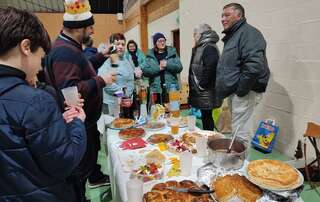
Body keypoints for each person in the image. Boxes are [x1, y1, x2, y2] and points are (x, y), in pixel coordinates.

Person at [0, 7, 87, 201]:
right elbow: (64, 161)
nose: (40, 66)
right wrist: (76, 124)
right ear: (26, 47)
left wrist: (55, 124)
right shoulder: (36, 100)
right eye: (40, 58)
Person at [44, 0, 116, 201]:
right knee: (79, 176)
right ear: (78, 28)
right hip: (78, 126)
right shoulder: (65, 51)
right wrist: (101, 80)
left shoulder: (70, 46)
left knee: (84, 170)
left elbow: (82, 67)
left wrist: (101, 56)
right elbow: (70, 90)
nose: (93, 31)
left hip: (86, 124)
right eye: (90, 27)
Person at [216, 3, 270, 141]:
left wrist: (241, 91)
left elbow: (254, 65)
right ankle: (238, 161)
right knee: (237, 130)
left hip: (244, 92)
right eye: (222, 15)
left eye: (227, 15)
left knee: (241, 133)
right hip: (236, 91)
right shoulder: (234, 35)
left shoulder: (249, 33)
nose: (222, 18)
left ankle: (241, 162)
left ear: (239, 15)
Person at [188, 23, 220, 131]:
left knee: (207, 118)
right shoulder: (202, 46)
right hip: (203, 91)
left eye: (195, 34)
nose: (194, 37)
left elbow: (211, 68)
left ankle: (208, 141)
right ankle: (206, 139)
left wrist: (201, 85)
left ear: (201, 34)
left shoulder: (209, 47)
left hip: (205, 91)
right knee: (205, 117)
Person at [98, 33, 135, 118]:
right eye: (117, 44)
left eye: (123, 44)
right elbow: (106, 84)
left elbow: (130, 80)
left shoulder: (127, 59)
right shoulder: (106, 60)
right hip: (111, 104)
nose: (120, 47)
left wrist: (129, 97)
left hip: (126, 104)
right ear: (111, 45)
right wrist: (122, 95)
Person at [141, 32, 183, 104]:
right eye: (160, 41)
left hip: (171, 88)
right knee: (158, 112)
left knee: (172, 111)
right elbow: (145, 71)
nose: (162, 43)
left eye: (164, 40)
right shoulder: (150, 55)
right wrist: (158, 68)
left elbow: (179, 67)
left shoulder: (172, 52)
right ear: (155, 43)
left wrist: (167, 65)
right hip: (156, 89)